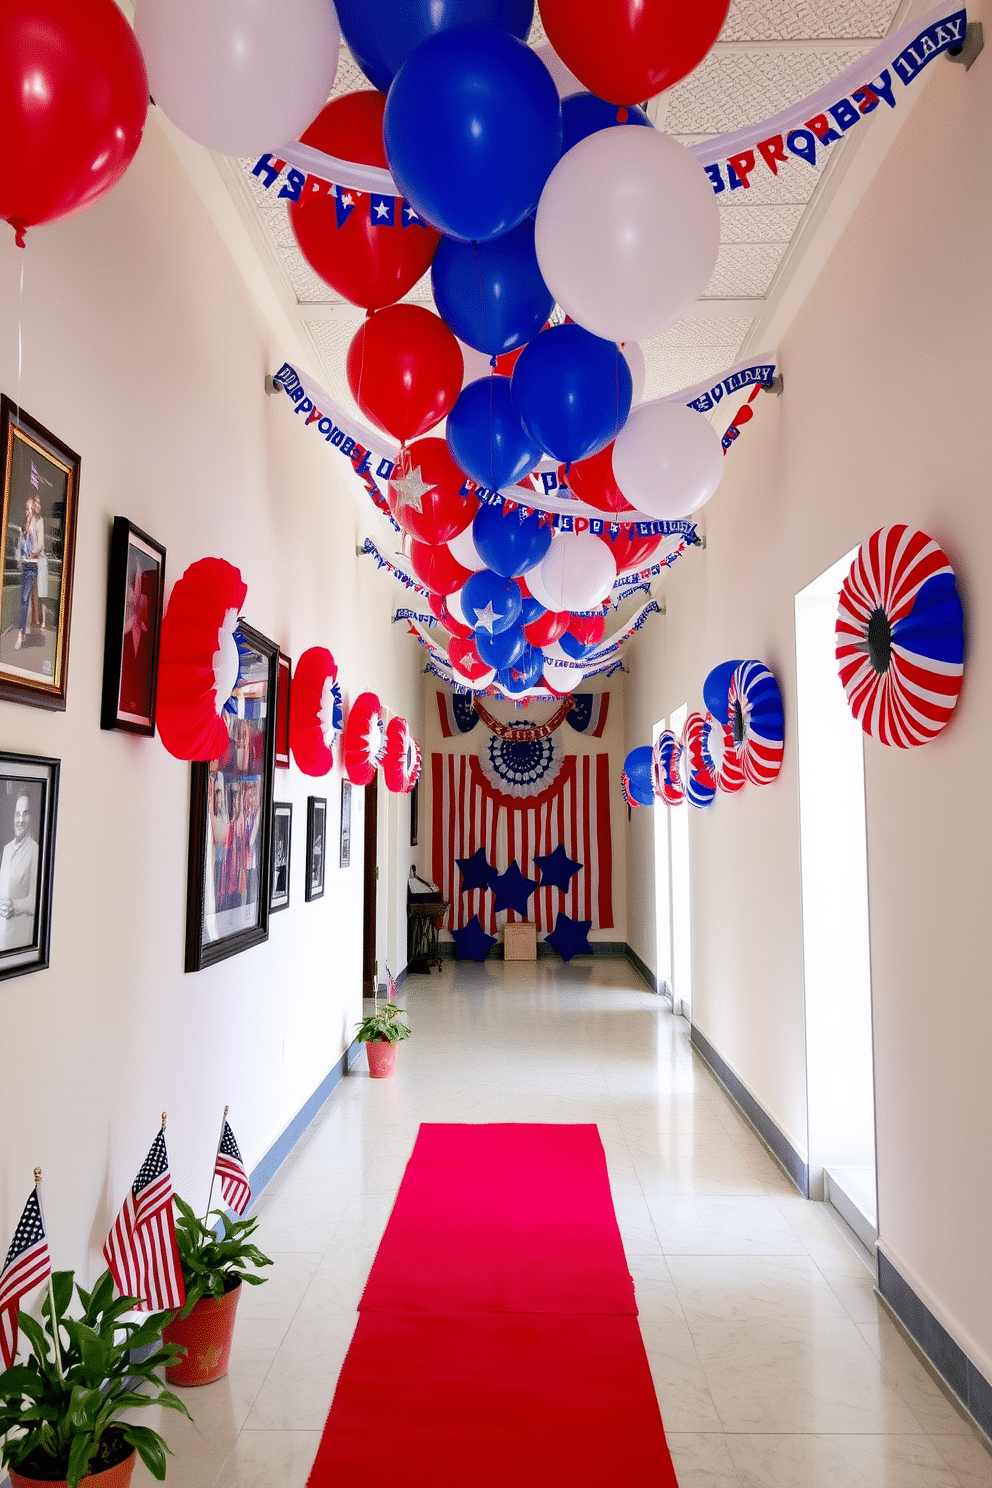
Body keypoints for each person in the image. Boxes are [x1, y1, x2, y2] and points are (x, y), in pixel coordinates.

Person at [0, 792, 39, 950]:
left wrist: (13, 906)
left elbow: (36, 901)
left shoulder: (35, 850)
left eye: (25, 814)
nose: (20, 820)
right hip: (2, 932)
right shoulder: (7, 849)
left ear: (30, 818)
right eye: (17, 814)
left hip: (19, 938)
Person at [14, 499, 37, 651]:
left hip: (31, 569)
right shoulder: (25, 528)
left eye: (30, 509)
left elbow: (36, 551)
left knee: (24, 599)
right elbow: (21, 549)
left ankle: (20, 634)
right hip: (24, 567)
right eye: (26, 509)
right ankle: (25, 627)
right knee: (25, 600)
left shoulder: (35, 529)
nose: (27, 512)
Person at [30, 496, 47, 635]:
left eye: (39, 504)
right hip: (34, 560)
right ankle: (35, 620)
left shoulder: (40, 521)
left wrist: (32, 553)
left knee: (40, 592)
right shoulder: (33, 521)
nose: (37, 506)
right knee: (34, 591)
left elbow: (40, 546)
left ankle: (42, 622)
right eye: (36, 503)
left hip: (39, 560)